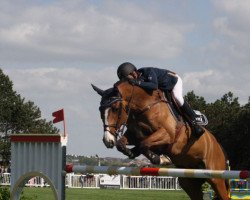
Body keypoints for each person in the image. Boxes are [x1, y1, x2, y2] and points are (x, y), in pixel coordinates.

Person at [117, 62, 205, 137]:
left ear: (133, 73)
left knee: (177, 97)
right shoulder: (137, 78)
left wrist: (137, 82)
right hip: (162, 86)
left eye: (127, 78)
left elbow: (154, 86)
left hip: (173, 80)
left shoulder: (148, 72)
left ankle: (194, 118)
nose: (128, 81)